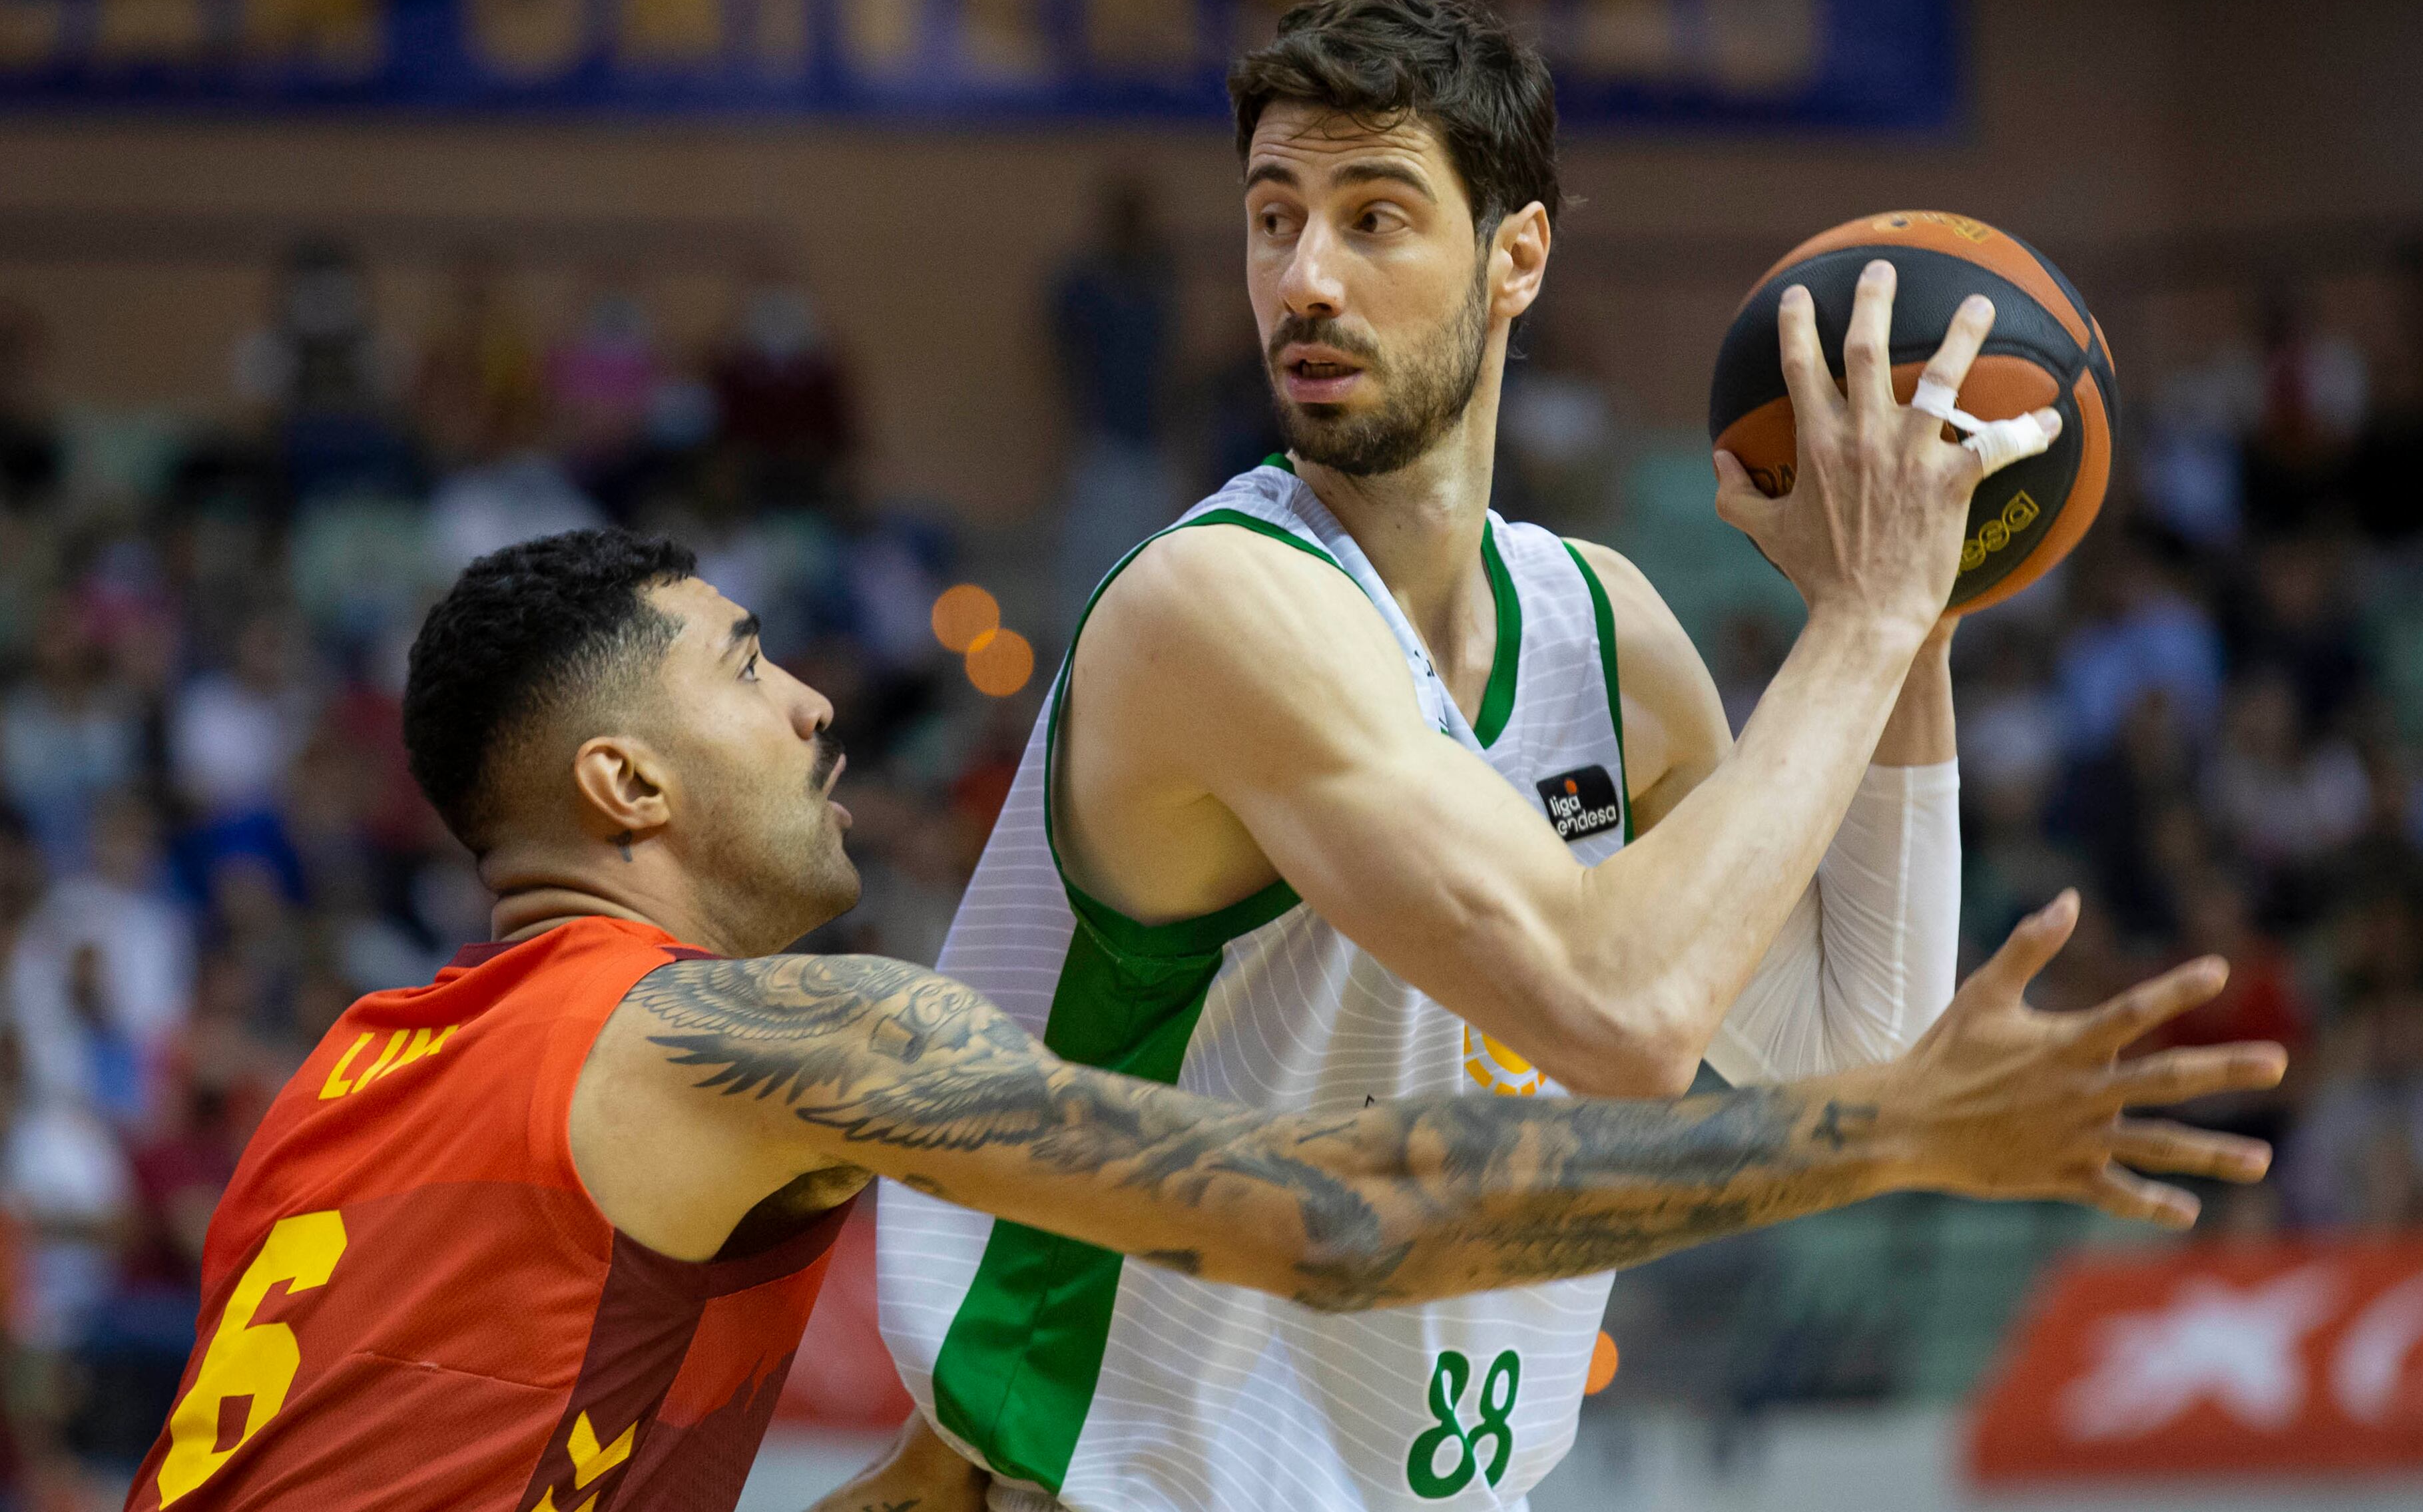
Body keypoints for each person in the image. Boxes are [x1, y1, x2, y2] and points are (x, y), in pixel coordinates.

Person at [119, 529, 2280, 1512]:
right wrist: (1881, 1137)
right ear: (624, 787)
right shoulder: (743, 1038)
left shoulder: (359, 1068)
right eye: (747, 663)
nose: (809, 698)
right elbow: (1332, 1215)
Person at [861, 0, 2059, 1512]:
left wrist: (1918, 620)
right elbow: (1619, 1013)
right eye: (1271, 216)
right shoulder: (1213, 603)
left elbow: (1853, 1063)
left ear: (1516, 257)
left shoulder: (1600, 631)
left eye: (1374, 219)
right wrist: (1861, 618)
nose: (1302, 279)